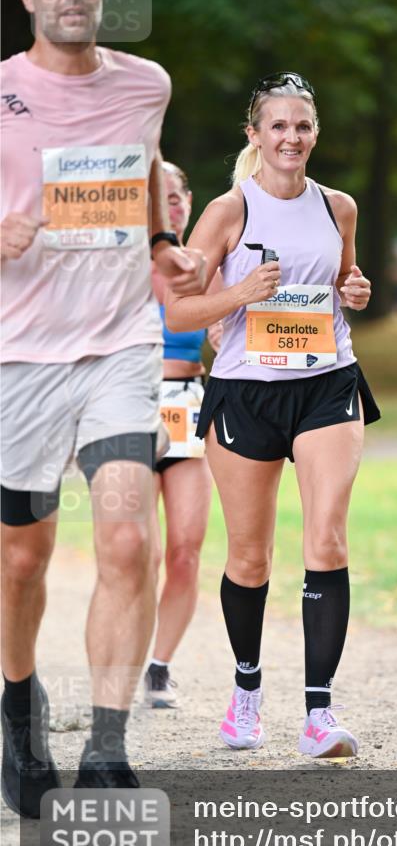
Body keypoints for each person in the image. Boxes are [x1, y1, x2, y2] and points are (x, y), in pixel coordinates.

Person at [0, 0, 206, 817]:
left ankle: (109, 753)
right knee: (20, 558)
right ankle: (19, 706)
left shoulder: (145, 83)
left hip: (121, 345)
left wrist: (163, 243)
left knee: (127, 538)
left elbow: (147, 165)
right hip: (18, 355)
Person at [165, 71, 380, 758]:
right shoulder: (230, 211)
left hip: (326, 383)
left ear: (314, 134)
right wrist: (240, 295)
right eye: (278, 126)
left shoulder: (338, 206)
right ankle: (247, 692)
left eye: (303, 126)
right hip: (245, 394)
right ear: (255, 135)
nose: (292, 137)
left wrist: (356, 288)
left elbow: (346, 285)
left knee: (328, 541)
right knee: (250, 556)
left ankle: (319, 714)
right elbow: (178, 310)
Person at [145, 160, 222, 709]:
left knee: (186, 548)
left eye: (178, 196)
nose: (171, 204)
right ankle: (119, 655)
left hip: (189, 407)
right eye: (161, 196)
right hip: (130, 407)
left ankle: (159, 667)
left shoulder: (203, 267)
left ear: (191, 203)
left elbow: (228, 328)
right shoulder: (127, 265)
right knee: (138, 552)